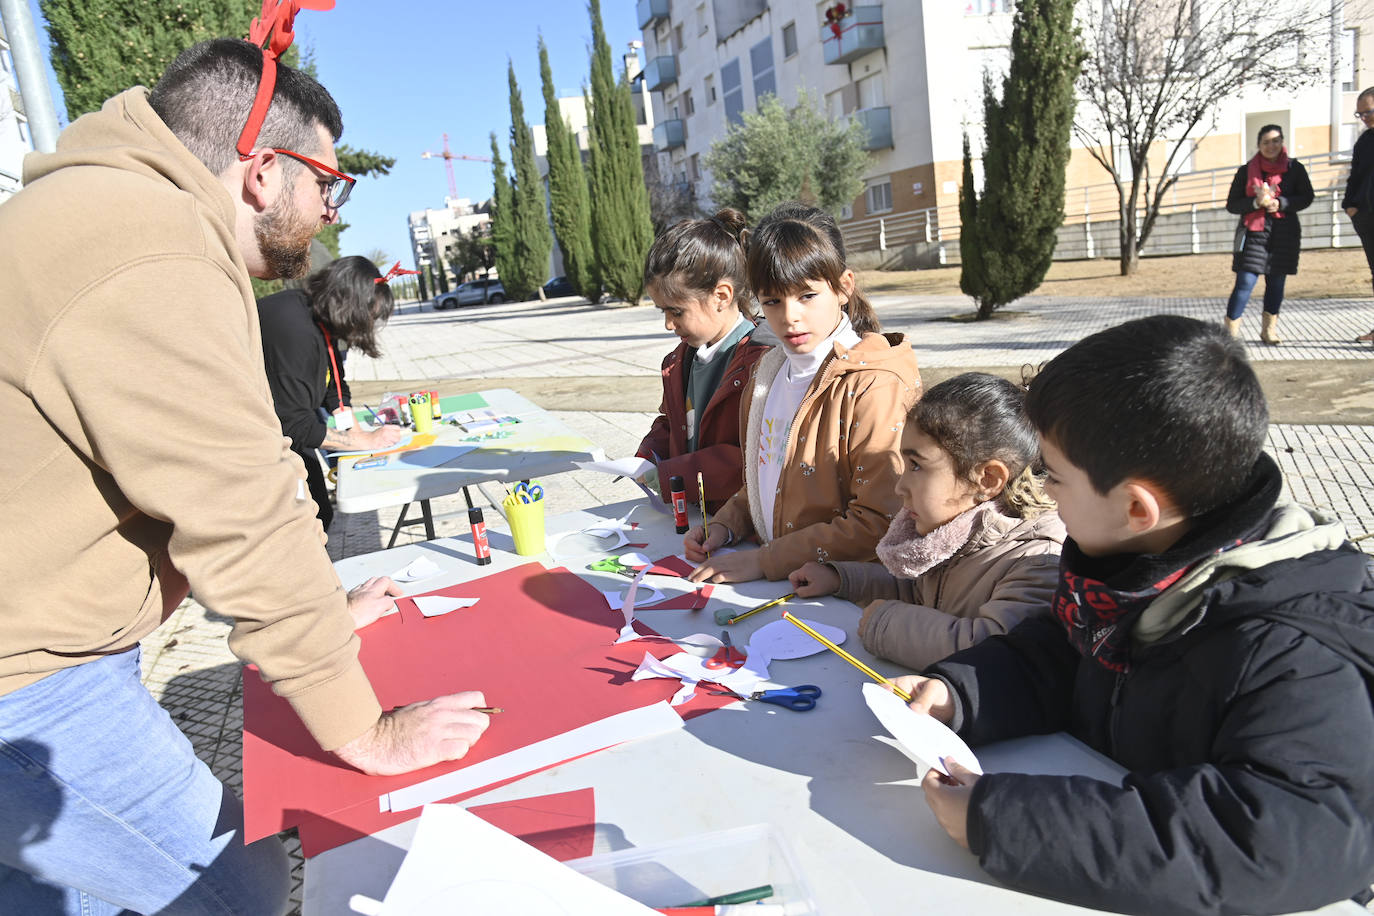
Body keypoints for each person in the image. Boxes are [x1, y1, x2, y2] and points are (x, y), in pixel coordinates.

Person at [0, 37, 489, 914]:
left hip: (45, 648)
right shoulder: (149, 246)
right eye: (327, 185)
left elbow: (215, 473)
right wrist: (361, 726)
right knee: (239, 887)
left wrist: (319, 614)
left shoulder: (112, 211)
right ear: (264, 170)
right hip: (25, 683)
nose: (330, 213)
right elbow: (241, 507)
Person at [891, 315, 1374, 915]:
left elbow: (1272, 838)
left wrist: (1002, 820)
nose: (1046, 495)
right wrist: (958, 692)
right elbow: (1066, 655)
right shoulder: (1135, 568)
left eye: (1056, 478)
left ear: (1137, 508)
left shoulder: (1293, 650)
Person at [686, 202, 922, 584]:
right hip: (780, 585)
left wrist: (765, 562)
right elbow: (767, 481)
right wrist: (726, 525)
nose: (789, 316)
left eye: (806, 296)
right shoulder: (768, 372)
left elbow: (882, 519)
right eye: (772, 301)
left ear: (844, 287)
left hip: (844, 595)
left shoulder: (873, 385)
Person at [787, 373, 1064, 670]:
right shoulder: (956, 532)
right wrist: (843, 579)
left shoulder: (1037, 561)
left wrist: (886, 624)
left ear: (987, 479)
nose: (899, 486)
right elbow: (916, 590)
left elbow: (993, 650)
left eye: (916, 466)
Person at [634, 209, 773, 512]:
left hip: (742, 527)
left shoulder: (763, 363)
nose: (669, 325)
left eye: (676, 311)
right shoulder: (680, 361)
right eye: (663, 312)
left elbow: (755, 459)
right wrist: (648, 454)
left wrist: (674, 474)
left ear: (722, 296)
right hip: (696, 517)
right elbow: (674, 423)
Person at [258, 255, 404, 529]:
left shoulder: (317, 318)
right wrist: (363, 443)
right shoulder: (295, 328)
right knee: (309, 517)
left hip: (285, 431)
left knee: (321, 512)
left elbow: (335, 388)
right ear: (352, 304)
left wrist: (354, 431)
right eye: (369, 316)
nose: (369, 325)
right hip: (253, 444)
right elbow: (294, 424)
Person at [1222, 124, 1314, 345]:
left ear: (1282, 141)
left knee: (1276, 283)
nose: (1271, 146)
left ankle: (1268, 331)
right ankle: (1229, 336)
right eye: (1266, 142)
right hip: (1252, 232)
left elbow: (1306, 197)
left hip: (1284, 233)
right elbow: (1232, 204)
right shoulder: (1246, 171)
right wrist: (1256, 202)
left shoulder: (1295, 168)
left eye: (1275, 140)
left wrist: (1280, 203)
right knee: (1245, 281)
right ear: (1258, 145)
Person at [1342, 87, 1374, 344]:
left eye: (1368, 112)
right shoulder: (1364, 142)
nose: (1364, 118)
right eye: (1360, 114)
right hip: (1367, 217)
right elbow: (1354, 178)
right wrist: (1350, 207)